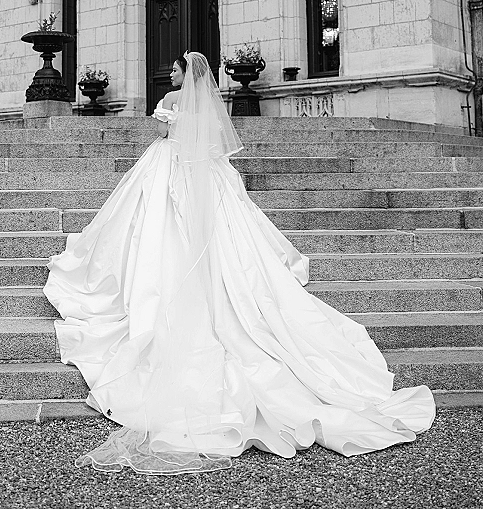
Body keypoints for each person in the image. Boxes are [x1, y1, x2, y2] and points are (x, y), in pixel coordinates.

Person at [44, 51, 435, 475]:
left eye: (173, 69)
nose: (171, 74)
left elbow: (165, 134)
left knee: (148, 231)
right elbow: (212, 146)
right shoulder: (208, 107)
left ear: (182, 74)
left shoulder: (174, 100)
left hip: (169, 167)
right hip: (208, 176)